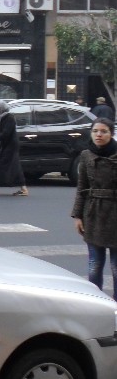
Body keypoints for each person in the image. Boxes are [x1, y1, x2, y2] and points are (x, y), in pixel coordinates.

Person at [72, 118, 117, 296]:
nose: (99, 135)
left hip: (115, 214)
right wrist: (77, 216)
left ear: (111, 134)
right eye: (95, 131)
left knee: (116, 267)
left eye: (104, 131)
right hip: (93, 214)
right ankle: (96, 301)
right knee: (94, 266)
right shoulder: (86, 155)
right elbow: (81, 187)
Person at [0, 100, 28, 197]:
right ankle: (23, 189)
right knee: (15, 167)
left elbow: (5, 133)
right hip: (6, 145)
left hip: (11, 146)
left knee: (2, 165)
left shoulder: (9, 118)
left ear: (0, 109)